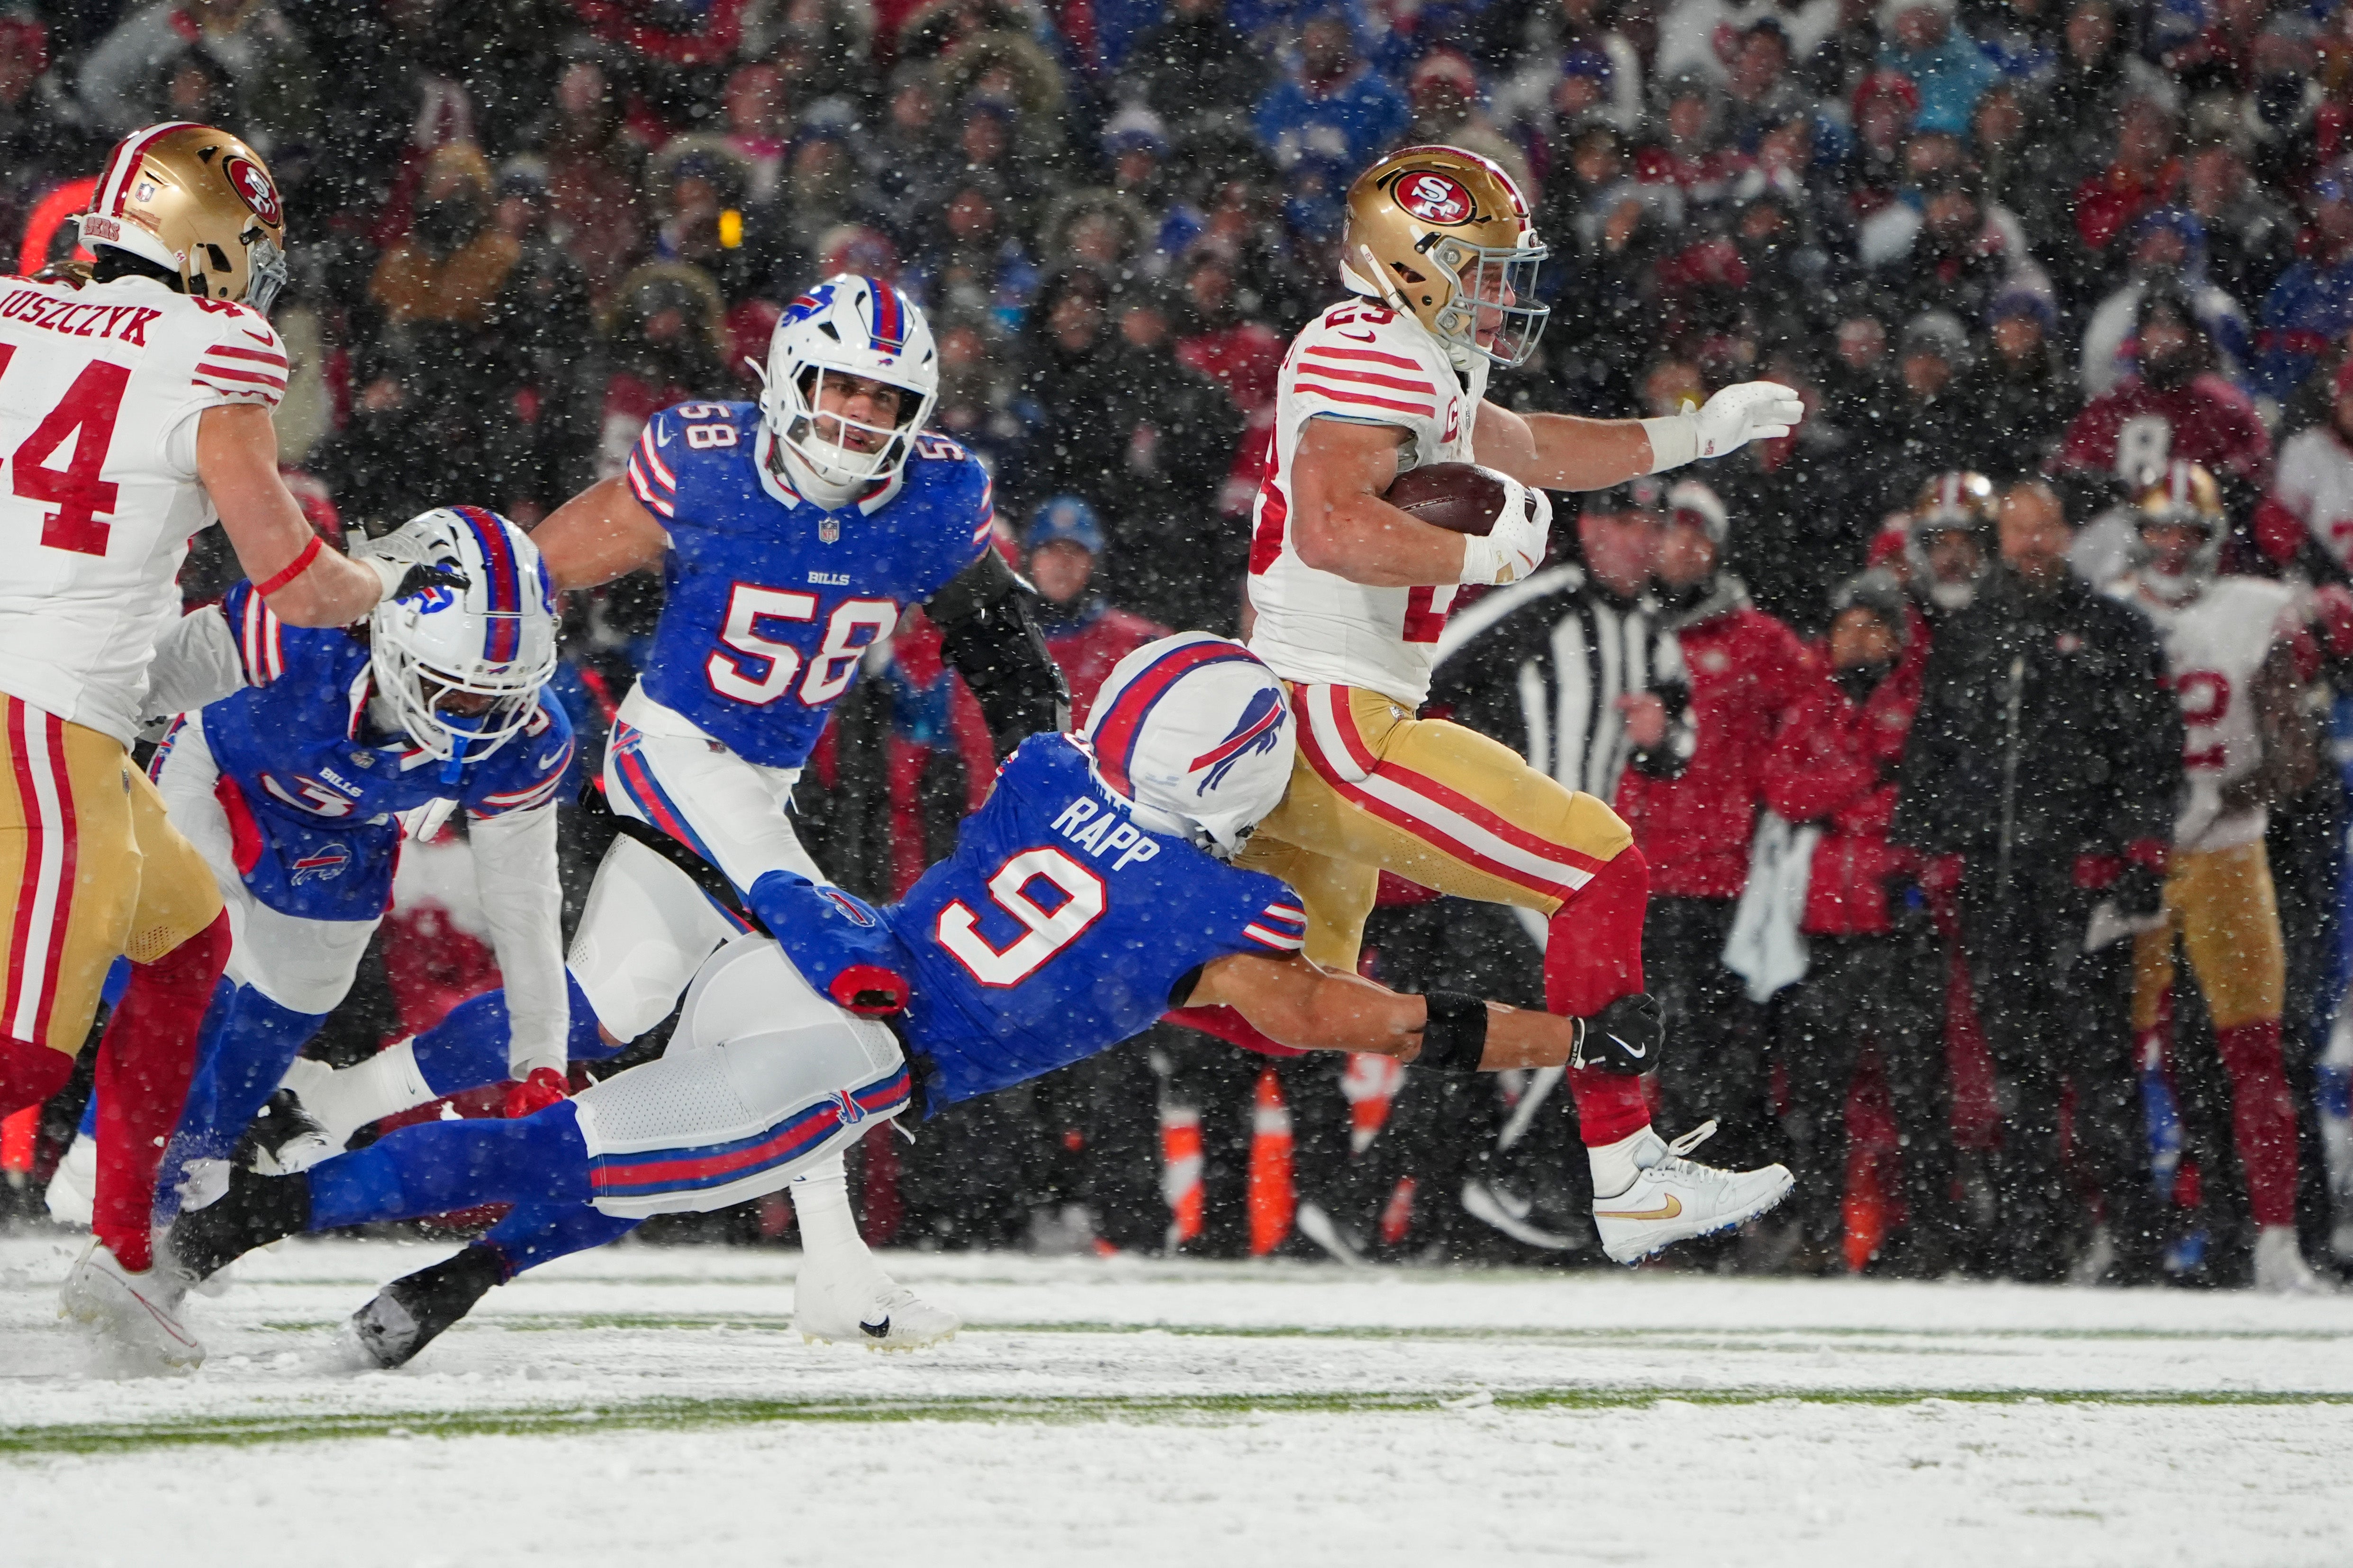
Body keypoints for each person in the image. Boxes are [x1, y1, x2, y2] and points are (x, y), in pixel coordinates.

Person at [169, 637, 1650, 1364]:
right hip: (858, 1054)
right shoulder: (1216, 908)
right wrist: (1569, 1033)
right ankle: (243, 1223)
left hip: (803, 969)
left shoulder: (1047, 771)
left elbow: (1080, 807)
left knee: (626, 1160)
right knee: (578, 1152)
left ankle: (434, 1290)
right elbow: (1365, 1022)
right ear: (1239, 775)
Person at [422, 273, 1066, 1345]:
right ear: (788, 380)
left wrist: (1043, 756)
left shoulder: (931, 499)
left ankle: (332, 1116)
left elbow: (1000, 643)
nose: (857, 416)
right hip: (666, 754)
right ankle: (837, 1271)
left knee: (603, 1011)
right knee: (825, 968)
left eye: (883, 398)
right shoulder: (709, 460)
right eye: (840, 387)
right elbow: (535, 574)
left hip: (771, 781)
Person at [1231, 145, 1800, 1252]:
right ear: (1414, 262)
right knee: (1598, 861)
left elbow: (1535, 448)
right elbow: (1332, 527)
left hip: (1312, 708)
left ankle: (973, 1026)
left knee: (1284, 1001)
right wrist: (1483, 553)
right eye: (1481, 270)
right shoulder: (1372, 353)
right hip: (1334, 713)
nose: (1500, 294)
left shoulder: (1415, 356)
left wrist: (1698, 433)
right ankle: (1623, 1169)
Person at [0, 123, 446, 1365]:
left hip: (68, 707)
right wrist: (386, 586)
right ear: (208, 237)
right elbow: (294, 577)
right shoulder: (215, 345)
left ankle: (129, 1253)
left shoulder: (17, 307)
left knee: (188, 939)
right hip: (42, 719)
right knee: (23, 1052)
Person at [143, 510, 588, 1275]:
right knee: (200, 954)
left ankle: (186, 1183)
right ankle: (111, 1173)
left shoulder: (527, 735)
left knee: (303, 992)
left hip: (343, 825)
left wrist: (541, 1056)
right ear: (392, 635)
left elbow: (524, 898)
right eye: (452, 689)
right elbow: (140, 685)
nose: (474, 718)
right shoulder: (301, 627)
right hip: (218, 767)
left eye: (497, 695)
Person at [1892, 478, 2181, 1281]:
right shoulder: (1970, 632)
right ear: (2001, 537)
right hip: (1994, 881)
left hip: (2081, 879)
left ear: (2065, 534)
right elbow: (1931, 752)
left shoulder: (2114, 630)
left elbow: (2152, 752)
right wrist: (1924, 856)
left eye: (2044, 528)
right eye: (2019, 529)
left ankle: (2135, 1243)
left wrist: (2138, 856)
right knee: (2014, 1067)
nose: (2031, 543)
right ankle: (2033, 1240)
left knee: (2100, 1063)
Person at [1416, 477, 1695, 1251]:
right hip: (1506, 855)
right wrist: (1466, 774)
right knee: (1593, 1018)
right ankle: (1507, 1180)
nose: (1641, 540)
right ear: (1593, 530)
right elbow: (1426, 671)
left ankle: (1431, 1200)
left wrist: (1660, 734)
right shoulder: (1539, 603)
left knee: (1520, 1029)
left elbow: (1682, 744)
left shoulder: (1653, 631)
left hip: (1582, 870)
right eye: (1626, 523)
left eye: (1652, 526)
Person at [2111, 462, 2331, 1292]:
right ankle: (2123, 1232)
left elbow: (2295, 753)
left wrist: (2218, 796)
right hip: (2133, 854)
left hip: (2228, 850)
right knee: (2118, 1053)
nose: (2172, 547)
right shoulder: (2110, 609)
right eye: (2159, 530)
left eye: (2187, 532)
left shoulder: (2252, 609)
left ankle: (2275, 1238)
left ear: (2211, 540)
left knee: (2254, 1051)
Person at [1614, 481, 1826, 1174]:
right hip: (1617, 873)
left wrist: (1774, 799)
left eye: (1696, 535)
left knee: (1709, 1050)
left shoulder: (1761, 643)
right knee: (1615, 1045)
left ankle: (1706, 1190)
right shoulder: (1615, 631)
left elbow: (1817, 723)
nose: (1681, 548)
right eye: (1668, 533)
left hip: (1716, 881)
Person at [1763, 569, 1959, 1274]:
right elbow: (1782, 791)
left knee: (1916, 1093)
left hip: (1901, 923)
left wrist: (1846, 800)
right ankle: (1820, 1234)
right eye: (1846, 626)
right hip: (1823, 929)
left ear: (1898, 639)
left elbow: (1927, 803)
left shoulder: (1924, 708)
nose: (1857, 639)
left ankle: (1926, 1236)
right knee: (1816, 1094)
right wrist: (1863, 780)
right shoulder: (1811, 706)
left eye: (1872, 627)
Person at [1023, 497, 1169, 717]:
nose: (1063, 563)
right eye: (1050, 550)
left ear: (1093, 563)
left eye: (1075, 550)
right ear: (1030, 559)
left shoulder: (1142, 644)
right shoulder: (996, 645)